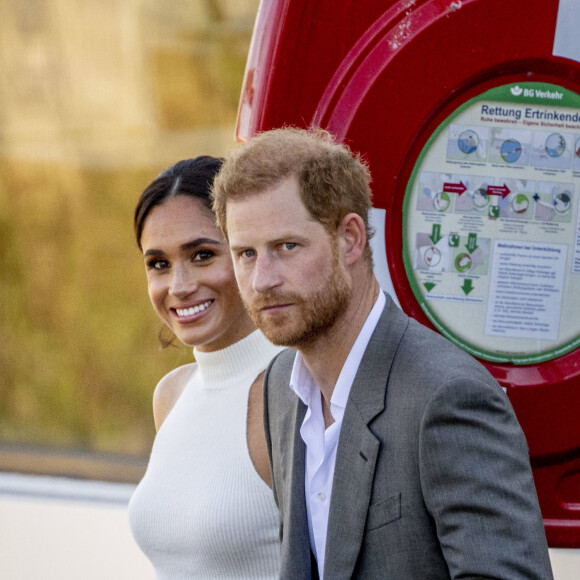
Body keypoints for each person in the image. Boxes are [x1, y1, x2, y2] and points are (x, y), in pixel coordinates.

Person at [212, 128, 554, 579]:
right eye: (246, 254)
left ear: (350, 239)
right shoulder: (280, 385)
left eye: (286, 247)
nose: (261, 280)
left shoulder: (448, 397)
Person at [128, 157, 283, 578]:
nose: (179, 286)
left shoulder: (296, 393)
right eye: (158, 263)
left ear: (248, 254)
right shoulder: (172, 395)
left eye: (202, 255)